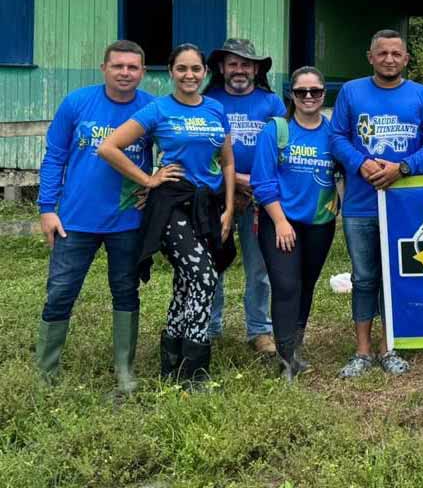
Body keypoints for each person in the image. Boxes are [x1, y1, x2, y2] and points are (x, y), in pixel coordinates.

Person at [99, 44, 235, 388]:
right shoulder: (158, 109)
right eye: (182, 69)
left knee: (186, 282)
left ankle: (172, 360)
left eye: (196, 69)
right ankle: (194, 370)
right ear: (171, 73)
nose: (189, 75)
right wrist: (148, 179)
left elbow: (228, 162)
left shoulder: (217, 109)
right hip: (172, 205)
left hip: (208, 205)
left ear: (205, 72)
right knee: (204, 277)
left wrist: (230, 208)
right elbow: (108, 147)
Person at [34, 40, 154, 393]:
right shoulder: (77, 103)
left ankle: (124, 370)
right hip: (74, 221)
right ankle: (47, 372)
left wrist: (154, 186)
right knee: (60, 292)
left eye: (133, 67)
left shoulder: (151, 109)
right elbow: (54, 157)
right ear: (104, 68)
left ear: (143, 72)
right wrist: (47, 209)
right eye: (118, 66)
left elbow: (175, 151)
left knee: (126, 292)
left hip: (128, 220)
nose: (125, 73)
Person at [330, 30, 423, 377]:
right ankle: (363, 351)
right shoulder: (351, 91)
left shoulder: (422, 95)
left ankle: (389, 347)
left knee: (396, 277)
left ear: (406, 59)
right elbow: (335, 137)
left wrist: (403, 168)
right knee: (365, 278)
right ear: (370, 56)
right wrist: (360, 163)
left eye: (396, 53)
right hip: (361, 204)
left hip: (405, 203)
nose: (389, 59)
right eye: (382, 53)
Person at [251, 67, 339, 381]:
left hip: (320, 223)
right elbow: (262, 182)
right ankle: (285, 360)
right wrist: (280, 221)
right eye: (302, 91)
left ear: (323, 93)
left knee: (306, 285)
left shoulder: (332, 133)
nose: (309, 97)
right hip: (280, 221)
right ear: (292, 94)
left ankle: (296, 348)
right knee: (286, 286)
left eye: (315, 91)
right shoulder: (276, 129)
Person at [203, 38, 286, 355]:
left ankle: (259, 330)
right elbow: (201, 152)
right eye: (233, 63)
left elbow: (282, 149)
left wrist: (257, 182)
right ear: (222, 68)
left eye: (246, 64)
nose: (240, 69)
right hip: (216, 194)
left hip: (258, 197)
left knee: (259, 267)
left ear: (256, 69)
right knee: (213, 263)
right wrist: (234, 179)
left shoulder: (272, 103)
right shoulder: (207, 101)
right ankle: (209, 327)